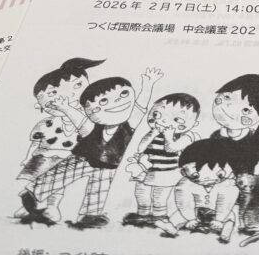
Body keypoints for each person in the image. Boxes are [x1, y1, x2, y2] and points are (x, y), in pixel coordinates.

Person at [20, 67, 162, 228]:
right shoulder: (92, 125)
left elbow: (140, 107)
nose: (117, 102)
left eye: (123, 94)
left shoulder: (131, 123)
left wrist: (148, 85)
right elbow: (79, 119)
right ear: (90, 110)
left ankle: (91, 216)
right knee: (59, 175)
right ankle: (32, 194)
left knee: (99, 190)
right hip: (83, 158)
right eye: (103, 101)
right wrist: (65, 107)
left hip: (109, 165)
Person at [18, 58, 104, 183]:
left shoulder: (92, 121)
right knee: (26, 180)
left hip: (75, 163)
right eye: (52, 93)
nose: (69, 96)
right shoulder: (45, 124)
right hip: (42, 159)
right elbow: (36, 143)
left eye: (78, 85)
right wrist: (28, 158)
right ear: (39, 104)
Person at [123, 93, 201, 226]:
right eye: (156, 114)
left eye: (177, 119)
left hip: (167, 172)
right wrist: (152, 133)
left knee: (159, 197)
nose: (164, 121)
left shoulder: (188, 136)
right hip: (146, 170)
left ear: (194, 123)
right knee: (141, 193)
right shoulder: (154, 133)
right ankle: (142, 214)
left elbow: (172, 148)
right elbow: (140, 148)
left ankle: (160, 216)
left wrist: (168, 136)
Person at [154, 138, 239, 243]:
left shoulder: (228, 184)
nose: (208, 179)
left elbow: (226, 203)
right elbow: (183, 202)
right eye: (196, 175)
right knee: (177, 216)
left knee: (230, 218)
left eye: (220, 174)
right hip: (194, 210)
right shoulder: (184, 184)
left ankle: (226, 231)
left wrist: (219, 219)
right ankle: (171, 227)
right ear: (184, 172)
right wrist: (190, 218)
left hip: (217, 212)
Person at [209, 74, 259, 175]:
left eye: (246, 110)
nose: (228, 107)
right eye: (227, 97)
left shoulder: (256, 139)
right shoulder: (216, 135)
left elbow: (248, 164)